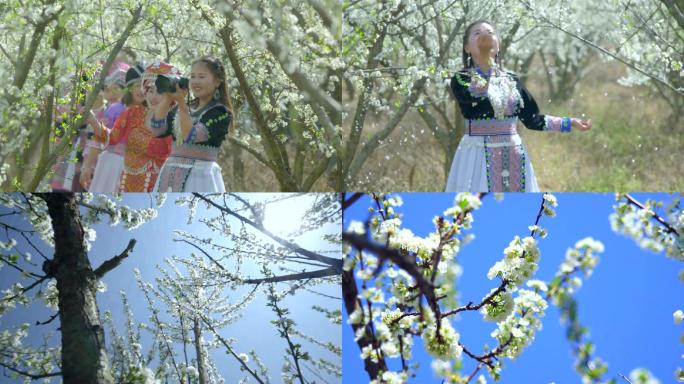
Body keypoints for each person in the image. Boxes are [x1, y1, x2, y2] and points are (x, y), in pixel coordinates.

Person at [445, 20, 592, 192]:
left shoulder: (511, 80)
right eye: (477, 34)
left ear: (498, 45)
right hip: (477, 156)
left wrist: (569, 122)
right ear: (467, 47)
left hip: (513, 154)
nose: (485, 36)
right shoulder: (462, 78)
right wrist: (484, 64)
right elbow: (471, 97)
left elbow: (533, 119)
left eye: (490, 33)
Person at [147, 56, 233, 192]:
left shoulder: (220, 113)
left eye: (201, 76)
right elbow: (157, 131)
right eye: (192, 76)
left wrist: (181, 103)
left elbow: (191, 135)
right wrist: (166, 99)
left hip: (200, 177)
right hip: (169, 174)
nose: (195, 81)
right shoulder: (184, 107)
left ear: (217, 81)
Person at [81, 60, 130, 191]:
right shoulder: (111, 110)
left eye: (116, 89)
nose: (112, 94)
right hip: (106, 159)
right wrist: (88, 164)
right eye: (108, 90)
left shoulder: (130, 110)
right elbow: (99, 137)